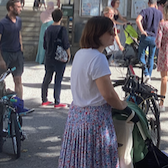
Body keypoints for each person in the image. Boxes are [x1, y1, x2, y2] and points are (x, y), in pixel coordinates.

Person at [59, 16, 140, 168]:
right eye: (110, 31)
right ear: (97, 34)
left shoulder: (80, 54)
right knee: (97, 160)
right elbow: (108, 94)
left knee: (79, 160)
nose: (114, 34)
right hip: (95, 120)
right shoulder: (98, 58)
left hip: (76, 116)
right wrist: (127, 109)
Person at [0, 0, 32, 114]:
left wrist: (21, 47)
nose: (20, 9)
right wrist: (0, 59)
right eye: (18, 7)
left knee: (18, 80)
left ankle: (19, 106)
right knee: (0, 80)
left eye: (20, 6)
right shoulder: (1, 24)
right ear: (11, 8)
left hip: (17, 55)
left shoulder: (19, 21)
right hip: (5, 54)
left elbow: (18, 33)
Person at [41, 9, 71, 108]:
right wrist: (68, 54)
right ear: (61, 17)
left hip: (49, 56)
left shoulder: (48, 29)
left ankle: (44, 99)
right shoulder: (62, 29)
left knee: (47, 77)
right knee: (58, 79)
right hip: (59, 58)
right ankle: (57, 101)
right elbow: (66, 43)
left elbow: (44, 44)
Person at [136, 0, 163, 83]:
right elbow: (162, 24)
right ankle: (149, 76)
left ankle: (146, 73)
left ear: (148, 3)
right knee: (151, 57)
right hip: (155, 37)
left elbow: (138, 20)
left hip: (145, 36)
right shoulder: (159, 13)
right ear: (156, 4)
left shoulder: (144, 11)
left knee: (141, 55)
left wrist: (142, 31)